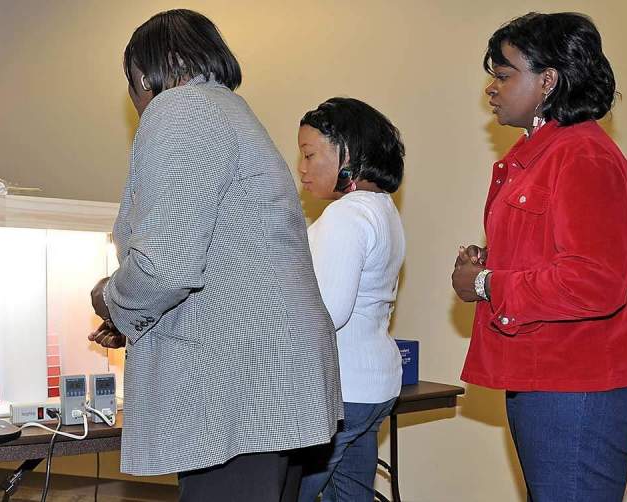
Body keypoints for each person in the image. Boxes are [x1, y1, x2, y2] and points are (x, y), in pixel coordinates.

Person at [87, 9, 342, 502]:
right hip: (269, 375)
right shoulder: (230, 111)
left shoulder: (182, 110)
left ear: (143, 73)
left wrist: (110, 299)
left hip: (236, 380)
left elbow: (165, 265)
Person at [452, 12, 627, 501]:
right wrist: (493, 262)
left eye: (504, 75)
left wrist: (485, 283)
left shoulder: (582, 155)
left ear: (548, 80)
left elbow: (594, 280)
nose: (492, 88)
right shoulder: (546, 155)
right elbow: (559, 253)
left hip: (582, 379)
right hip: (558, 372)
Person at [295, 98, 405, 502]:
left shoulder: (345, 216)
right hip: (374, 388)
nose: (302, 169)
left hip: (341, 389)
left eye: (310, 154)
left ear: (348, 153)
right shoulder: (382, 209)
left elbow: (327, 312)